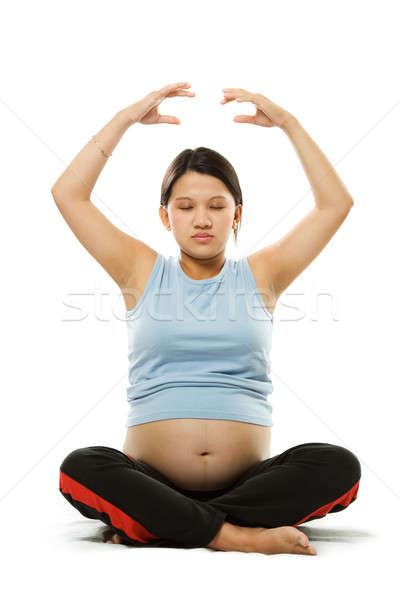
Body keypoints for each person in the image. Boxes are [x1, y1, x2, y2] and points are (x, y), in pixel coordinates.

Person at [52, 81, 361, 556]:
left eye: (217, 207)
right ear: (165, 217)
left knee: (338, 465)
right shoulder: (139, 269)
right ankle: (231, 534)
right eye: (186, 207)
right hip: (150, 476)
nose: (202, 219)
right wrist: (125, 119)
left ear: (236, 215)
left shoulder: (262, 274)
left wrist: (289, 125)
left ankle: (162, 522)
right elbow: (69, 194)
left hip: (249, 482)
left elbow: (334, 205)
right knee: (82, 466)